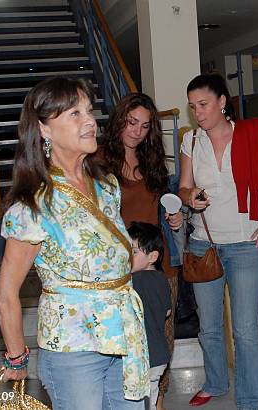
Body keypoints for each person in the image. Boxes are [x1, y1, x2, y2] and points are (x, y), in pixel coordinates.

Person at [0, 76, 149, 410]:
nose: (90, 120)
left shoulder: (107, 185)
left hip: (124, 336)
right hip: (72, 344)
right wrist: (16, 356)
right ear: (44, 130)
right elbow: (7, 293)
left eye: (89, 110)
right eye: (74, 114)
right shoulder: (33, 206)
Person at [178, 73, 258, 410]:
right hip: (204, 245)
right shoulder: (191, 142)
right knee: (209, 327)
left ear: (222, 102)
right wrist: (190, 196)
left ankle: (249, 401)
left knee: (244, 330)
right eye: (192, 107)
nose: (198, 112)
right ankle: (214, 382)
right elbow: (183, 187)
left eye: (203, 104)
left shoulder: (255, 134)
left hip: (247, 246)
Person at [98, 93, 183, 410]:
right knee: (125, 340)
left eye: (145, 126)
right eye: (131, 123)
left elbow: (160, 209)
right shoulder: (98, 160)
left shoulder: (153, 161)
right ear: (119, 120)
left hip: (159, 263)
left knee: (163, 336)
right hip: (119, 269)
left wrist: (175, 218)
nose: (136, 131)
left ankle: (158, 400)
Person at [128, 222, 172, 410]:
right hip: (159, 355)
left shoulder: (133, 281)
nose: (127, 257)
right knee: (151, 400)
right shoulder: (162, 279)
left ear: (152, 256)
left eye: (134, 252)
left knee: (137, 401)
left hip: (141, 357)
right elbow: (167, 312)